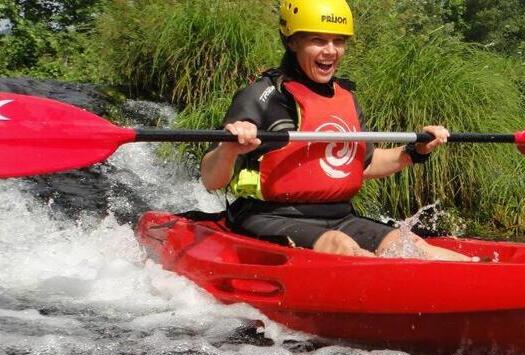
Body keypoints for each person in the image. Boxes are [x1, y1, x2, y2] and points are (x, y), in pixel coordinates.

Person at [200, 0, 472, 261]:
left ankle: (483, 274)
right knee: (340, 245)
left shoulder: (345, 97)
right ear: (293, 41)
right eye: (318, 40)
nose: (331, 51)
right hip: (270, 217)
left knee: (410, 245)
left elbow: (362, 164)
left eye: (338, 41)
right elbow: (211, 180)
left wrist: (416, 151)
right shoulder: (263, 96)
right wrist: (229, 148)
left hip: (341, 217)